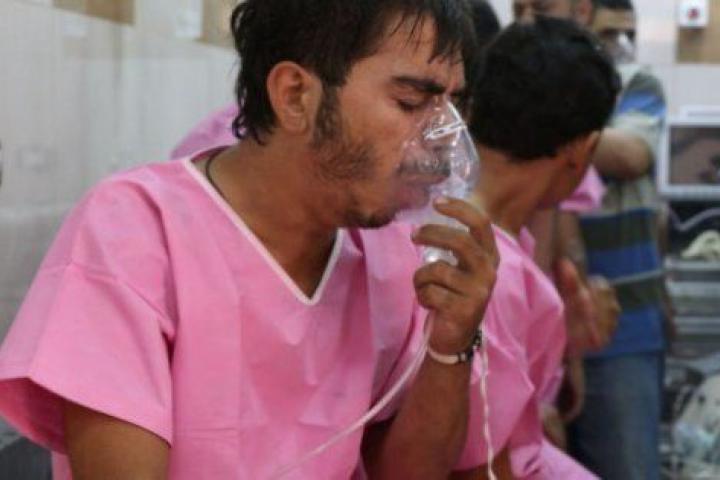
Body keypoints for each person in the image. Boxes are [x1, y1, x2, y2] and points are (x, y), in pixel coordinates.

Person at [0, 1, 501, 478]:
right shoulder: (135, 232)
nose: (442, 139)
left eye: (452, 106)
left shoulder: (392, 257)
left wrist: (450, 345)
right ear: (295, 95)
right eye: (412, 102)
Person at [453, 16, 621, 479]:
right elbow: (481, 458)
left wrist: (560, 339)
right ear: (582, 149)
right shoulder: (486, 264)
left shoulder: (469, 230)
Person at [512, 1, 669, 478]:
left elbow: (632, 155)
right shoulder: (515, 81)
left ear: (581, 11)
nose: (528, 16)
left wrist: (539, 117)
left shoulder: (634, 83)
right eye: (519, 7)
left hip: (621, 325)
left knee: (625, 463)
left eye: (541, 6)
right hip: (535, 328)